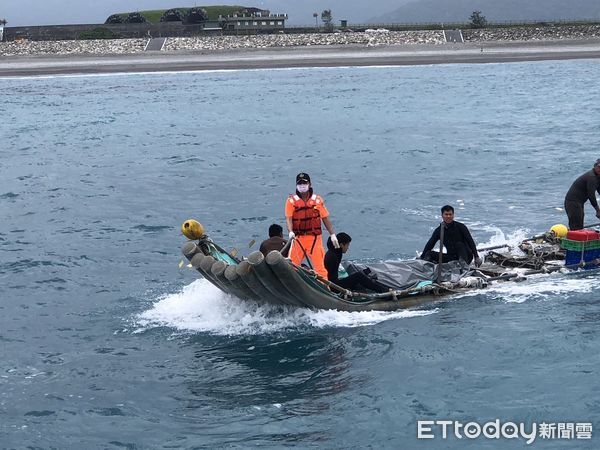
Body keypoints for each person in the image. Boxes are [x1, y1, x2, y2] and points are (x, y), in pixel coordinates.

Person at [285, 172, 337, 278]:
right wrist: (290, 231)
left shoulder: (317, 200)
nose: (302, 185)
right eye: (299, 183)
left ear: (309, 184)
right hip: (298, 239)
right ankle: (291, 288)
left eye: (304, 183)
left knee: (320, 269)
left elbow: (325, 218)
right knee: (291, 267)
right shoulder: (291, 201)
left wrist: (332, 235)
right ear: (296, 185)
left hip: (314, 239)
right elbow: (289, 219)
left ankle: (324, 289)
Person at [564, 159, 600, 230]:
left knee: (580, 224)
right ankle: (574, 239)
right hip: (572, 202)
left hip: (579, 203)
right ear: (595, 167)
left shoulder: (598, 177)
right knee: (576, 227)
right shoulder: (591, 177)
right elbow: (591, 195)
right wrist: (597, 210)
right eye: (599, 167)